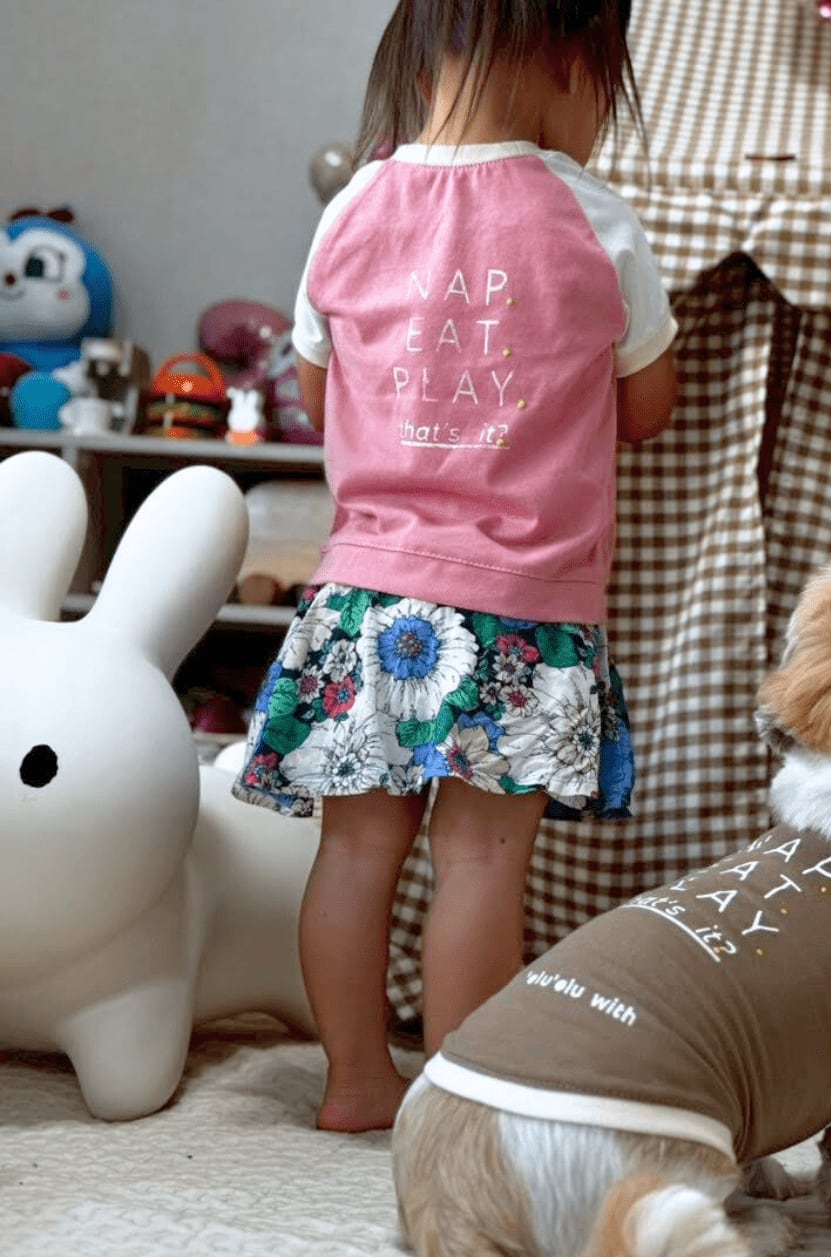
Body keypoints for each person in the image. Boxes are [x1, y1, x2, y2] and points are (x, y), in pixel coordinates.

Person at [233, 0, 676, 1133]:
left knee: (353, 851)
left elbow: (319, 391)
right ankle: (460, 1108)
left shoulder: (352, 207)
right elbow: (647, 409)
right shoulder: (594, 218)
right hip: (516, 610)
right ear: (571, 60)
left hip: (364, 599)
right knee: (479, 860)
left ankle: (353, 1082)